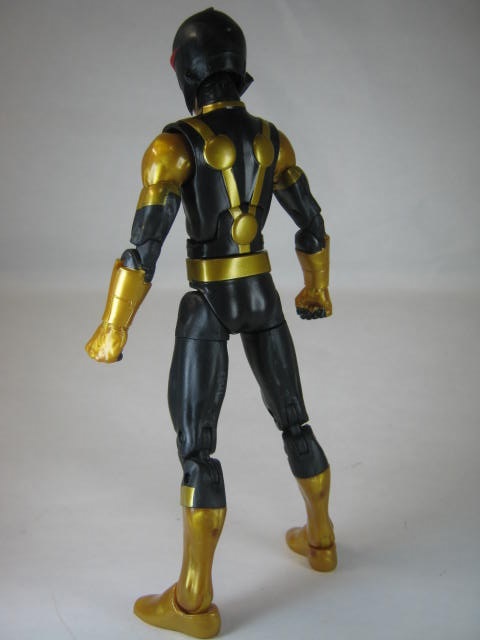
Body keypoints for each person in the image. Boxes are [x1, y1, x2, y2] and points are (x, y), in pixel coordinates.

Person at [86, 8, 336, 638]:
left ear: (186, 74)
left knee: (198, 451)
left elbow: (143, 247)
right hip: (262, 294)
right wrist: (316, 288)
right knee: (295, 421)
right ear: (237, 69)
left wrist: (114, 326)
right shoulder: (273, 139)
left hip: (209, 300)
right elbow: (312, 224)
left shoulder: (172, 146)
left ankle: (194, 604)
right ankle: (321, 541)